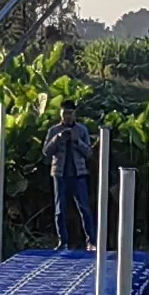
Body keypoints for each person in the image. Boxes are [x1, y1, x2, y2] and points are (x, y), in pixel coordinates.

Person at [43, 105, 92, 249]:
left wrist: (77, 141)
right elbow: (46, 152)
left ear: (75, 114)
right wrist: (56, 139)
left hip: (78, 174)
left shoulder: (82, 130)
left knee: (84, 208)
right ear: (60, 114)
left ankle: (91, 241)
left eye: (70, 113)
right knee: (60, 209)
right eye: (65, 113)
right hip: (60, 174)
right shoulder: (53, 130)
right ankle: (63, 241)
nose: (67, 116)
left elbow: (89, 153)